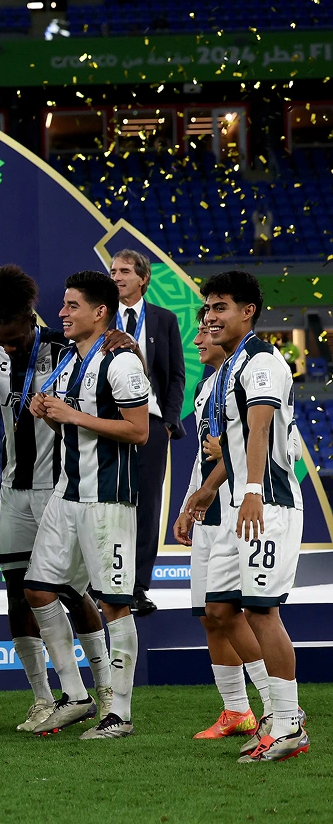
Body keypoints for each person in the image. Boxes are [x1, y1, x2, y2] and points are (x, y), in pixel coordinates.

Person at [0, 265, 118, 733]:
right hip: (13, 489)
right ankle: (42, 698)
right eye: (2, 340)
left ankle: (106, 690)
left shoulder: (63, 348)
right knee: (18, 593)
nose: (9, 347)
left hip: (60, 488)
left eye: (16, 339)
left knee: (72, 592)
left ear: (30, 321)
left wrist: (124, 341)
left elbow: (107, 353)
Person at [183, 271, 309, 763]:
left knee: (261, 611)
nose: (210, 318)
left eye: (221, 307)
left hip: (266, 503)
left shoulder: (260, 361)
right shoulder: (226, 369)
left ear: (248, 311)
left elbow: (259, 432)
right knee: (218, 610)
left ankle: (288, 723)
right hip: (236, 503)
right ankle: (270, 714)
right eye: (208, 309)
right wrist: (204, 493)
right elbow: (233, 448)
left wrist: (253, 492)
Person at [25, 271, 149, 740]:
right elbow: (73, 429)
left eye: (72, 305)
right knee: (38, 589)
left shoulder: (121, 360)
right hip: (67, 492)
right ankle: (76, 697)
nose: (62, 313)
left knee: (114, 604)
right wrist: (51, 416)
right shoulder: (70, 360)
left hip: (107, 499)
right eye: (63, 303)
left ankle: (120, 714)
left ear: (100, 312)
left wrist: (71, 414)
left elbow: (139, 431)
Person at [173, 307, 269, 740]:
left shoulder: (249, 377)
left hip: (238, 509)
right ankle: (236, 711)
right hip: (208, 513)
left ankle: (277, 706)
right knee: (209, 616)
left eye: (205, 332)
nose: (198, 340)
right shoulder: (205, 387)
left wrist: (225, 459)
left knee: (231, 611)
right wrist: (187, 504)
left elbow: (258, 443)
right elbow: (204, 454)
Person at [109, 249, 185, 616]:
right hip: (108, 425)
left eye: (124, 271)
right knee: (107, 504)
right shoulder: (101, 316)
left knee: (147, 507)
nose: (116, 277)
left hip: (152, 425)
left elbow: (176, 375)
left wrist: (168, 424)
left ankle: (137, 587)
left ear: (143, 278)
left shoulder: (163, 319)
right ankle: (104, 583)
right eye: (113, 271)